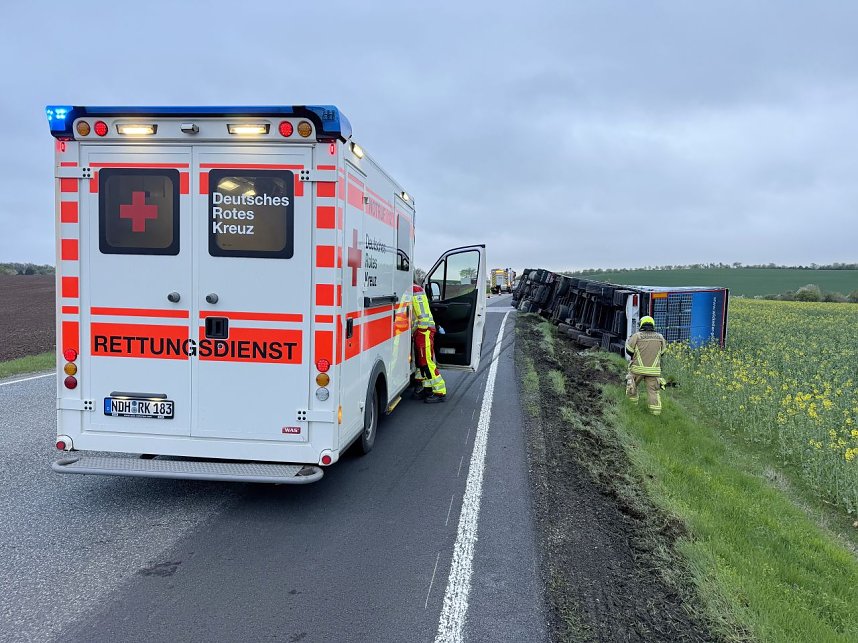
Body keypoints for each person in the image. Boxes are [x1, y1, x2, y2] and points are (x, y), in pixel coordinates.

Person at [411, 283, 446, 403]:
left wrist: (420, 330)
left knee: (426, 362)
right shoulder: (415, 289)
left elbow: (422, 315)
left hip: (423, 331)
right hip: (421, 331)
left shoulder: (414, 290)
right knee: (422, 363)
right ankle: (427, 389)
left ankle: (439, 392)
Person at [625, 315, 667, 415]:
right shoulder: (660, 337)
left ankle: (631, 408)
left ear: (641, 325)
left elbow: (629, 351)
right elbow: (663, 352)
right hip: (653, 371)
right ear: (653, 325)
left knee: (632, 386)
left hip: (637, 370)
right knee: (653, 391)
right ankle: (655, 413)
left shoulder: (637, 336)